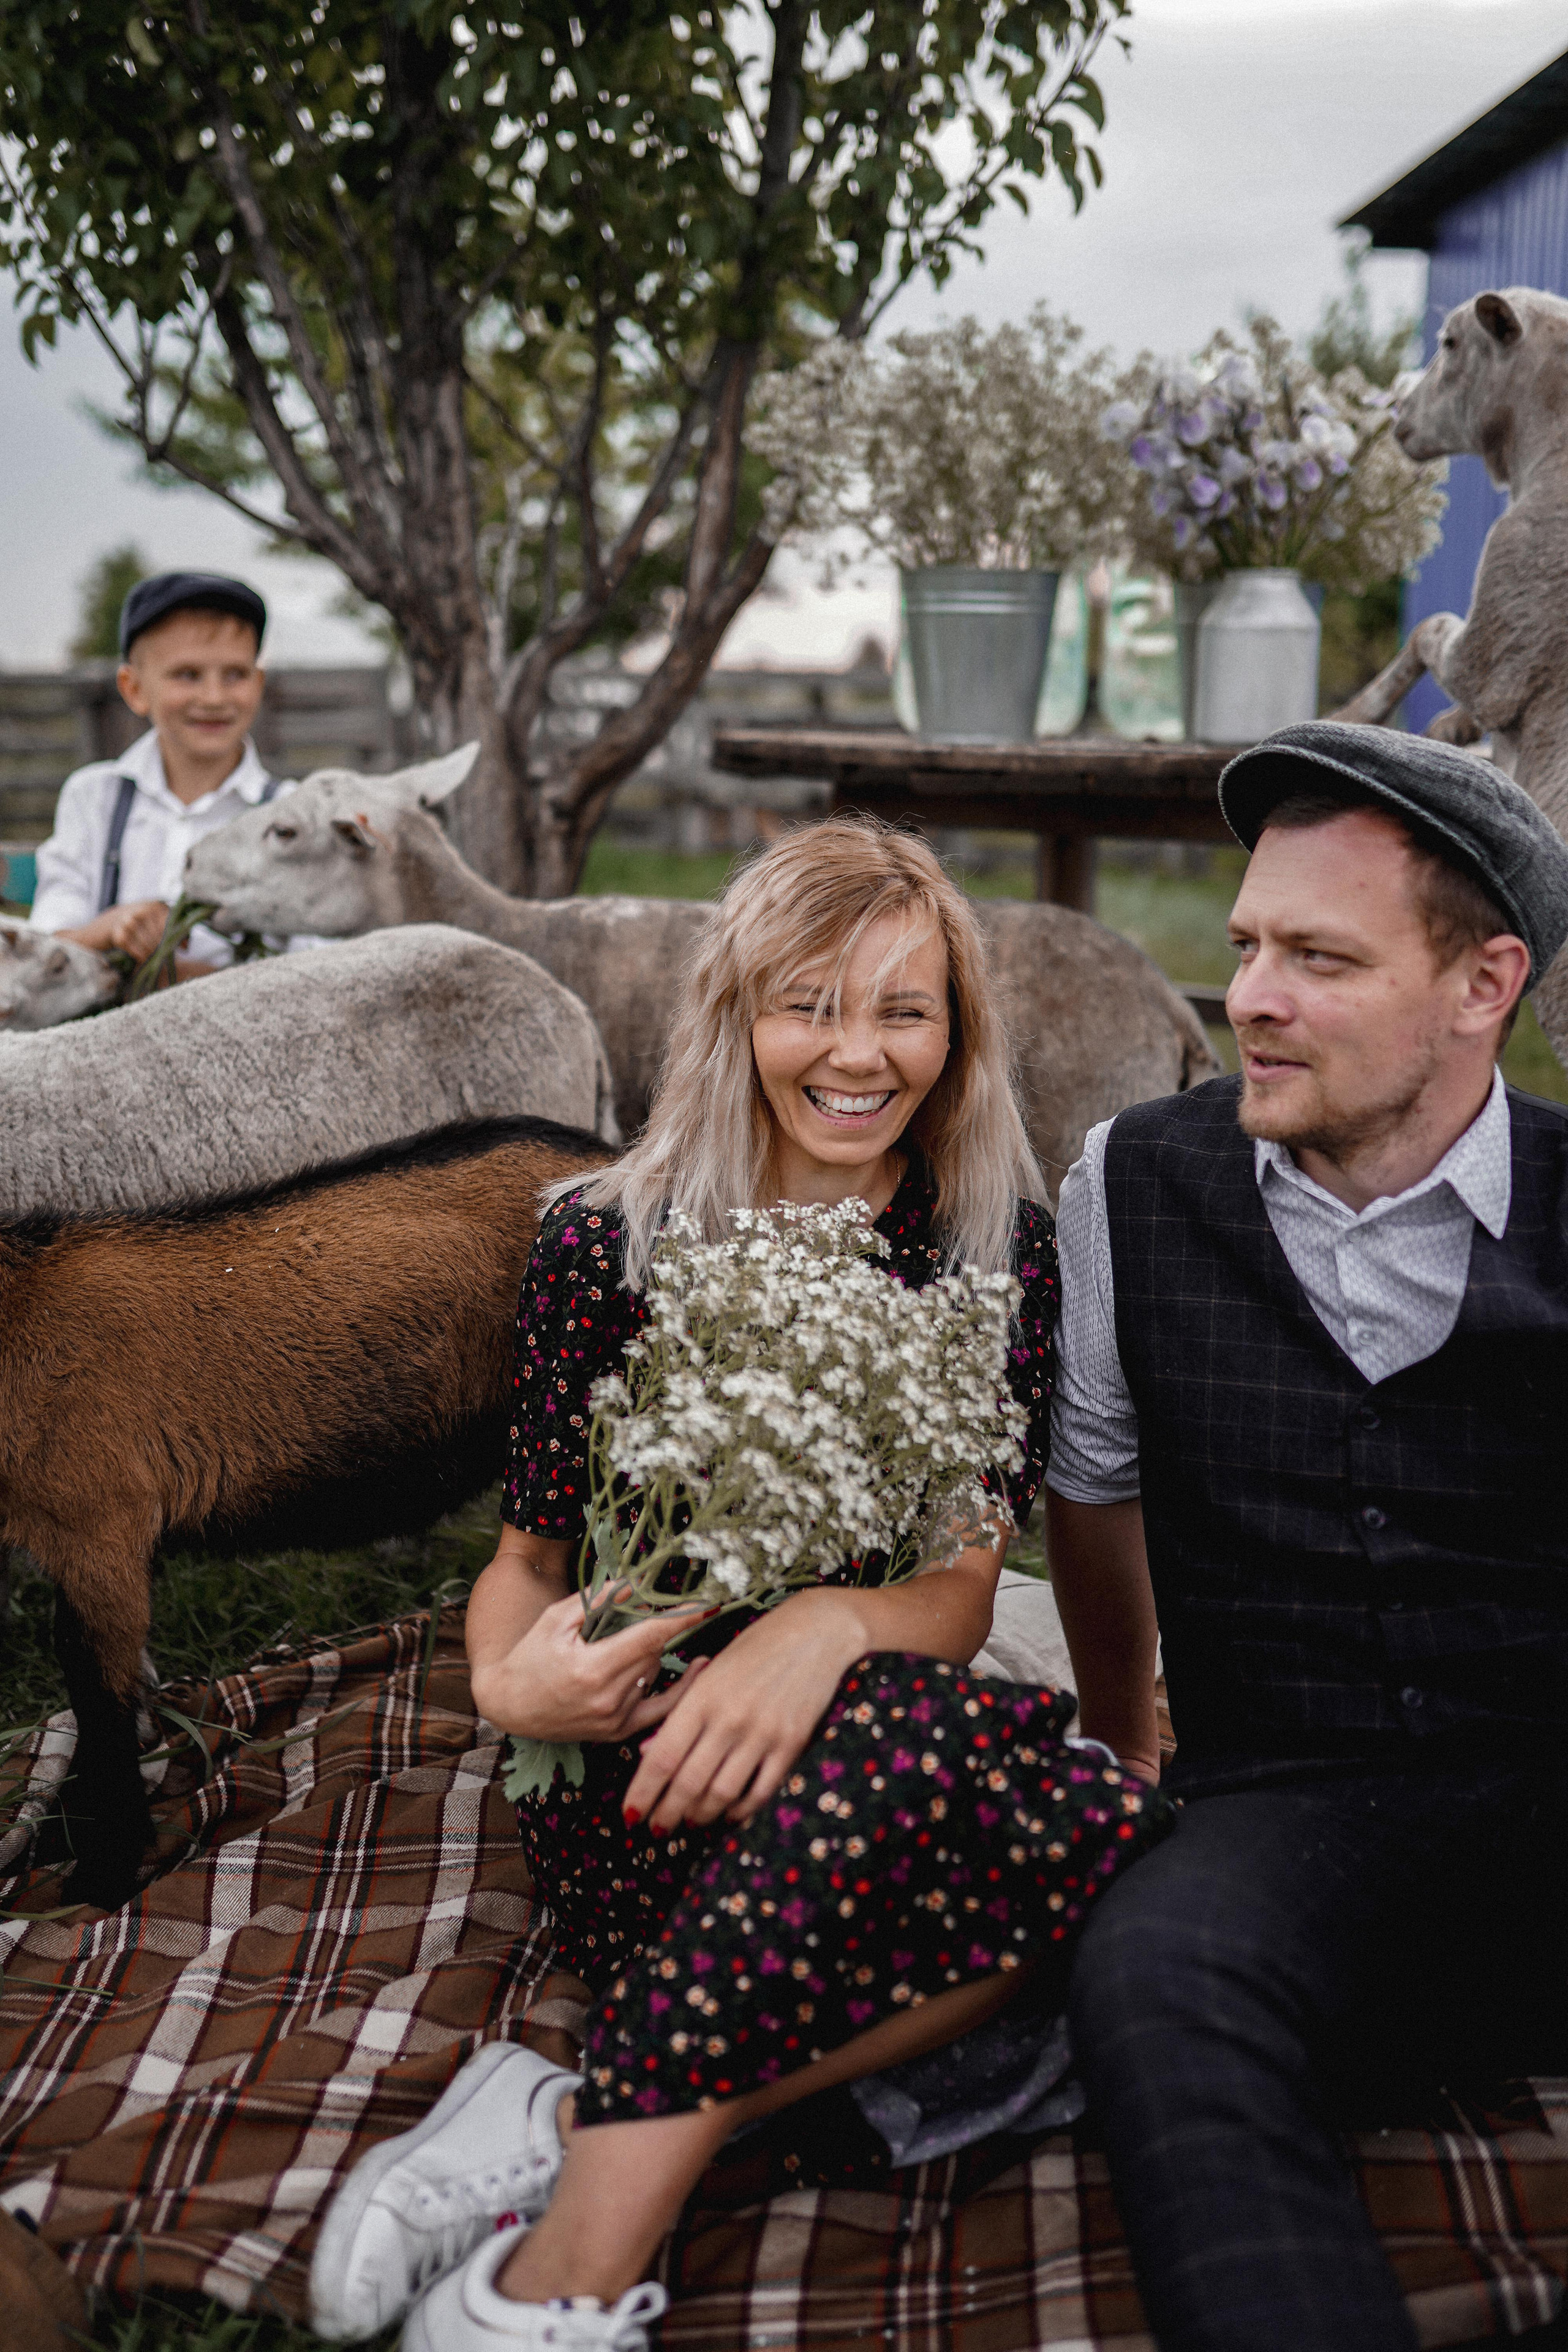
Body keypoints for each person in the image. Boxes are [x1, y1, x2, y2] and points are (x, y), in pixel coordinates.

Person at [310, 816, 1170, 2352]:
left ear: (958, 1032)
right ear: (735, 1015)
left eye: (904, 1009)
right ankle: (553, 2286)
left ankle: (587, 2112)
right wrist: (515, 1682)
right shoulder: (605, 1239)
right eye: (809, 1004)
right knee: (1048, 1808)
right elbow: (526, 1565)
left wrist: (828, 1619)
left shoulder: (994, 1255)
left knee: (1106, 1823)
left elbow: (962, 1588)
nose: (858, 1053)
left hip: (866, 1744)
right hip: (640, 1777)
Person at [1046, 720, 1568, 2352]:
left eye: (1318, 959)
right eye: (1248, 945)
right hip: (1285, 1799)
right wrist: (1124, 1740)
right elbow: (1095, 1484)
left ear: (1485, 984)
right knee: (1153, 1979)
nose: (1249, 997)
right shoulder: (1129, 1180)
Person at [29, 571, 281, 975]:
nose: (214, 697)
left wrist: (171, 973)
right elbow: (44, 948)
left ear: (259, 682)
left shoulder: (287, 813)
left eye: (235, 675)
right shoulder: (95, 797)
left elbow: (312, 967)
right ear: (134, 689)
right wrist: (112, 928)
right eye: (187, 675)